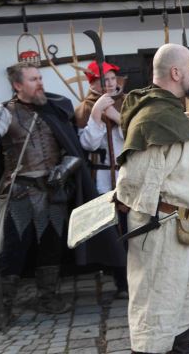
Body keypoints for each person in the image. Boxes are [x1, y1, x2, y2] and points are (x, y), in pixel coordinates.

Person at [0, 61, 114, 331]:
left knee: (51, 247)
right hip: (21, 193)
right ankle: (4, 308)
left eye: (40, 78)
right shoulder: (4, 112)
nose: (40, 83)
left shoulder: (55, 108)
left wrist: (65, 167)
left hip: (53, 191)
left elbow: (72, 147)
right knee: (13, 252)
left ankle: (48, 297)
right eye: (33, 79)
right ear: (17, 85)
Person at [115, 43, 189, 354]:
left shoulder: (168, 113)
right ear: (176, 73)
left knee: (181, 304)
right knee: (156, 306)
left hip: (180, 224)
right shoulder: (154, 118)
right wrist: (156, 212)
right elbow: (135, 182)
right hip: (160, 226)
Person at [74, 60, 128, 298]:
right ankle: (121, 281)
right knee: (113, 232)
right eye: (104, 80)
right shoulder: (84, 108)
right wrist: (96, 114)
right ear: (93, 83)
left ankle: (137, 276)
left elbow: (136, 137)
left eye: (113, 78)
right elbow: (88, 144)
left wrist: (117, 117)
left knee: (132, 226)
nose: (110, 83)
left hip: (127, 174)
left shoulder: (127, 102)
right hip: (103, 178)